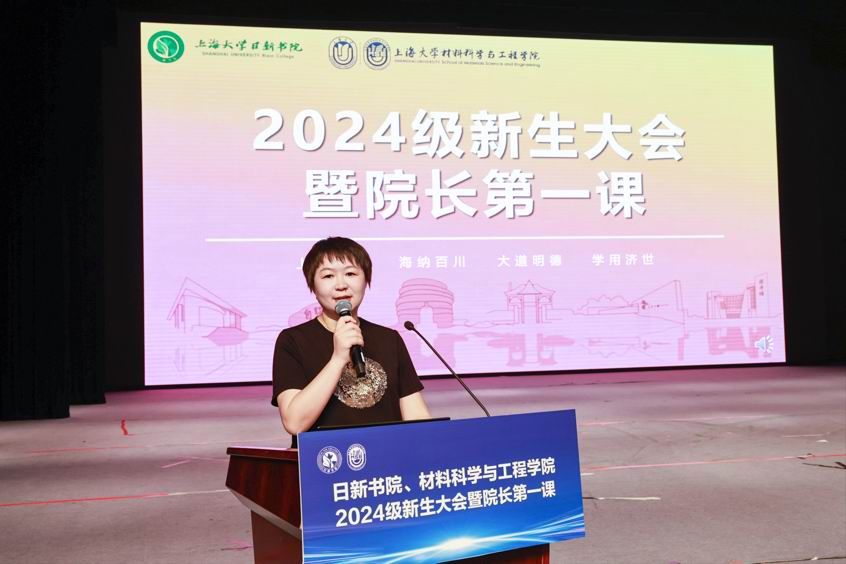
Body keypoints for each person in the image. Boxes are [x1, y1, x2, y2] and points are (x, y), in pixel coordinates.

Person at [272, 237, 431, 445]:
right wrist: (338, 359)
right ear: (312, 285)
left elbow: (417, 418)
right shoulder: (292, 341)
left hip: (387, 458)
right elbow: (294, 423)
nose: (341, 285)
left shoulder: (389, 339)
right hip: (327, 460)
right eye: (328, 276)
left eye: (350, 274)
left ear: (366, 280)